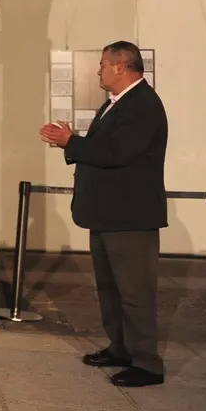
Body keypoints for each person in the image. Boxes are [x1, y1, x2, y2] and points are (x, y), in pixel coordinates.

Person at [39, 41, 167, 388]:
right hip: (107, 214)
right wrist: (72, 141)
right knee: (111, 287)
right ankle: (121, 348)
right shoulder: (116, 104)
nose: (98, 71)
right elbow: (105, 149)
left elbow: (118, 152)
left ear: (120, 66)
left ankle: (147, 363)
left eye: (102, 65)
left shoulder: (142, 106)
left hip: (130, 217)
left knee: (134, 292)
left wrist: (71, 142)